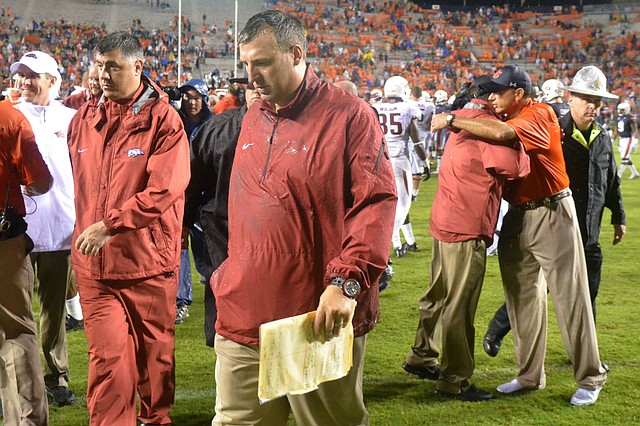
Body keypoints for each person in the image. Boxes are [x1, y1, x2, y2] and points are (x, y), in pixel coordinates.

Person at [210, 10, 396, 425]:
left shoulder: (349, 115)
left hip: (314, 315)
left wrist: (346, 283)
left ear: (296, 54)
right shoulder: (254, 116)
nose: (250, 75)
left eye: (261, 62)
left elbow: (375, 204)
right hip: (243, 310)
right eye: (245, 65)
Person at [431, 64, 607, 406]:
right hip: (517, 215)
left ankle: (590, 376)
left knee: (570, 297)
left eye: (499, 91)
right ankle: (529, 375)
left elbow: (504, 136)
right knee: (522, 299)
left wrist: (451, 119)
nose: (493, 97)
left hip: (553, 210)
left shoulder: (539, 112)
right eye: (491, 92)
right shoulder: (501, 118)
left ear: (520, 94)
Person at [66, 32, 190, 426]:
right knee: (109, 365)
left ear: (138, 67)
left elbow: (165, 189)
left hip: (148, 265)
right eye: (99, 65)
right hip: (96, 269)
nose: (103, 74)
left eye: (113, 66)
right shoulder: (84, 118)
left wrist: (111, 225)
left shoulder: (165, 121)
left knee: (155, 366)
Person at [483, 65, 626, 355]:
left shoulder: (602, 137)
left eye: (597, 101)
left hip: (590, 230)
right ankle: (498, 327)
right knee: (535, 289)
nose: (593, 107)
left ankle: (587, 355)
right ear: (570, 97)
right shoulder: (554, 129)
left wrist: (618, 216)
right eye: (587, 99)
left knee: (586, 295)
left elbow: (611, 179)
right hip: (558, 225)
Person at [402, 76, 529, 402]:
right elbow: (517, 170)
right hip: (467, 225)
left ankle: (422, 354)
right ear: (490, 98)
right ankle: (454, 379)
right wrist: (521, 144)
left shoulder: (460, 121)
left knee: (437, 294)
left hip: (443, 220)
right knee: (460, 304)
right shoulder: (487, 125)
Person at [11, 50, 78, 407]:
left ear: (53, 80)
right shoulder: (7, 116)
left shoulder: (72, 118)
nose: (23, 82)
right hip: (15, 230)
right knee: (14, 311)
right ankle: (19, 382)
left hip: (61, 227)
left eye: (31, 75)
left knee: (54, 310)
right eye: (20, 74)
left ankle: (56, 377)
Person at [185, 77, 259, 348]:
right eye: (252, 86)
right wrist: (182, 225)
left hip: (274, 238)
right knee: (227, 325)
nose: (258, 92)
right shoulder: (218, 129)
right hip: (224, 235)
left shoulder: (296, 127)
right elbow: (191, 184)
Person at [0, 101, 52, 426]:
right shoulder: (9, 116)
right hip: (5, 240)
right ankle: (26, 420)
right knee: (17, 331)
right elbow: (40, 180)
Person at [174, 78, 213, 325]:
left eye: (196, 97)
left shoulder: (214, 125)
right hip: (178, 194)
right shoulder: (174, 121)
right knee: (179, 246)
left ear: (205, 99)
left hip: (203, 197)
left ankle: (216, 292)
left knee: (206, 251)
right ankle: (181, 301)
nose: (191, 102)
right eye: (187, 97)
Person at [373, 76, 426, 258]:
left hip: (380, 160)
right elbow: (417, 140)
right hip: (399, 160)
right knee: (403, 204)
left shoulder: (377, 107)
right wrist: (424, 162)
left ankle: (405, 242)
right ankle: (387, 241)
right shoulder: (408, 108)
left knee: (390, 203)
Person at [613, 101, 640, 179]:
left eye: (621, 110)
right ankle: (635, 173)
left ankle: (619, 174)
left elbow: (634, 130)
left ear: (626, 109)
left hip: (628, 139)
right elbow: (616, 130)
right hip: (621, 140)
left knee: (625, 157)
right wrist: (612, 139)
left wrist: (635, 140)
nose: (620, 111)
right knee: (626, 157)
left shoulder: (630, 118)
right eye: (619, 110)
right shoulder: (618, 118)